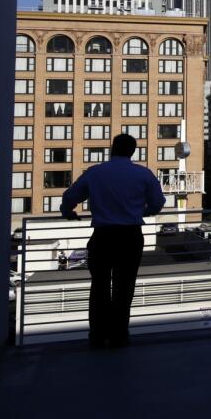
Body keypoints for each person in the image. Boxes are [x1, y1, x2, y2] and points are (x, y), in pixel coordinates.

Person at [61, 134, 165, 348]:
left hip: (103, 236)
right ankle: (119, 334)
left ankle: (98, 335)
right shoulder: (143, 174)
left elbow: (70, 197)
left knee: (99, 286)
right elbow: (157, 203)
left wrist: (67, 211)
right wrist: (140, 211)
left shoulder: (95, 173)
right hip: (130, 236)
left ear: (112, 149)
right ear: (132, 151)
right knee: (124, 286)